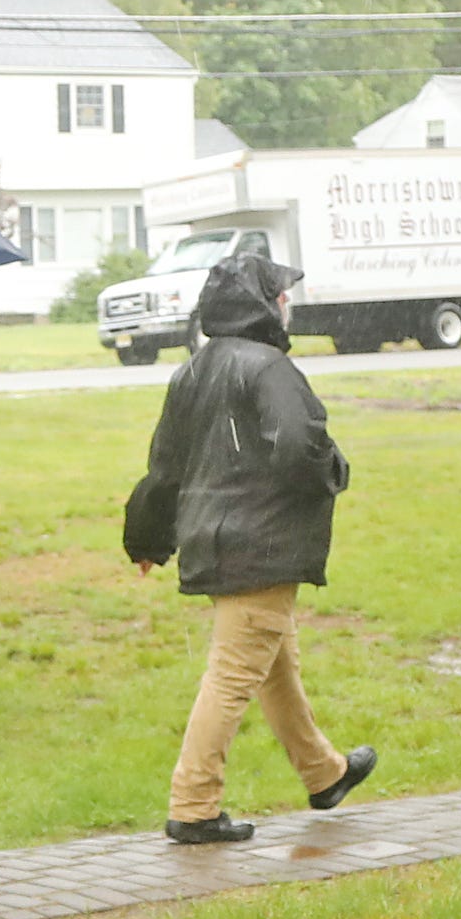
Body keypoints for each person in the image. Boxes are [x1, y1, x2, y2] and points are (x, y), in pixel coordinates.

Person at [122, 252, 375, 845]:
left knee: (274, 663)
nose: (286, 302)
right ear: (264, 303)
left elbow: (165, 468)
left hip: (216, 542)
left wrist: (148, 538)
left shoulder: (191, 371)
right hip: (260, 545)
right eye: (279, 293)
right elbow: (300, 447)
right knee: (236, 673)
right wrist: (334, 468)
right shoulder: (268, 368)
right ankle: (194, 805)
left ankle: (325, 774)